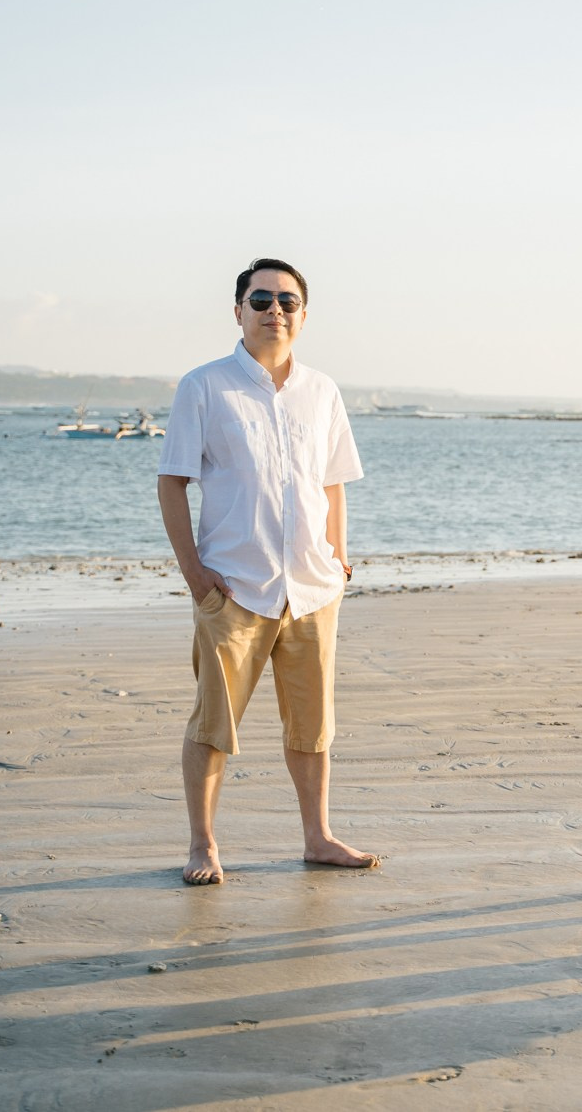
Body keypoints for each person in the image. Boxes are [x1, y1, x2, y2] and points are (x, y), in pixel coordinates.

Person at [158, 257, 374, 886]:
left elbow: (332, 484)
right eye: (261, 300)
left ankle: (319, 837)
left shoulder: (322, 391)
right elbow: (172, 484)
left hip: (312, 588)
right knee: (213, 722)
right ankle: (203, 845)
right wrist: (196, 575)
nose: (274, 310)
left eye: (287, 302)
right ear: (238, 312)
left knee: (313, 726)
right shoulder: (203, 387)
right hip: (234, 588)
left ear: (303, 317)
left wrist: (337, 556)